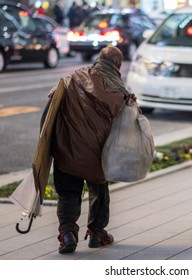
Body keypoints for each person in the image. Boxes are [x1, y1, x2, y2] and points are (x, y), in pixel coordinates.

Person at [47, 47, 130, 254]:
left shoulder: (72, 78)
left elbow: (51, 104)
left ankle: (67, 234)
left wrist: (49, 146)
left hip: (66, 150)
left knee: (67, 193)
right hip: (97, 155)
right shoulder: (119, 91)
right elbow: (126, 126)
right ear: (118, 65)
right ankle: (97, 233)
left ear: (98, 59)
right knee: (99, 191)